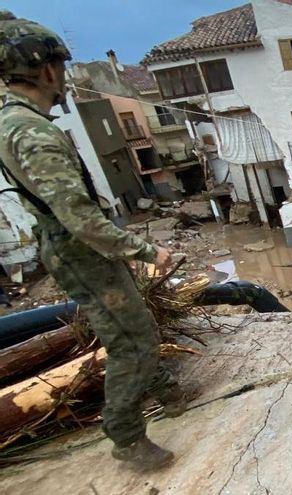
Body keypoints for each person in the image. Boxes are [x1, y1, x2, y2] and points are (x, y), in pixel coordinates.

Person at [0, 11, 184, 472]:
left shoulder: (13, 121)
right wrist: (147, 250)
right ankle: (126, 437)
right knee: (129, 342)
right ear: (46, 70)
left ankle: (166, 389)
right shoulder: (31, 131)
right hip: (80, 250)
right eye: (61, 68)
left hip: (76, 249)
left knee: (136, 325)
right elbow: (78, 216)